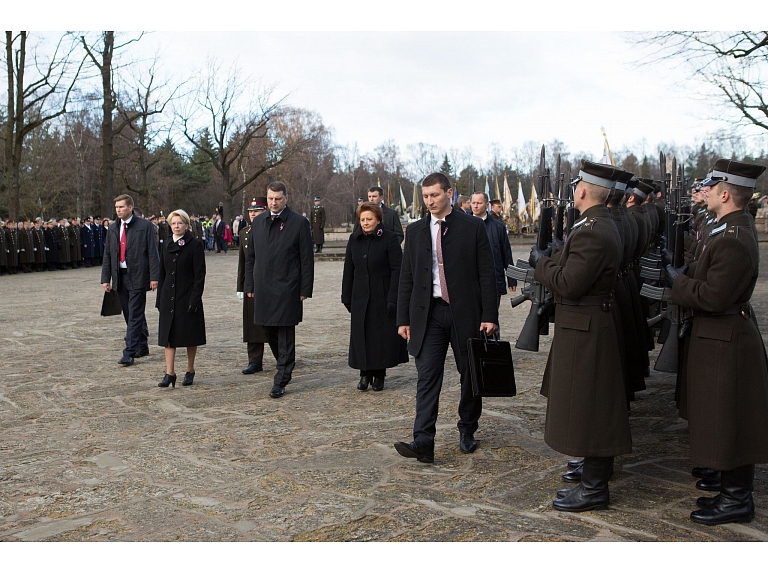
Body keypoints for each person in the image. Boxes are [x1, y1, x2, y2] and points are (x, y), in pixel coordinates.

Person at [667, 159, 768, 526]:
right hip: (719, 335)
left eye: (713, 187)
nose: (705, 191)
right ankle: (729, 488)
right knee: (722, 415)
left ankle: (737, 499)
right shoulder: (726, 229)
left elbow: (713, 296)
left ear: (726, 193)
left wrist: (679, 282)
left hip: (727, 336)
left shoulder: (734, 237)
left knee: (732, 417)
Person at [527, 161, 631, 512]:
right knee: (589, 405)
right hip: (585, 324)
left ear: (583, 190)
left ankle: (594, 488)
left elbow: (570, 282)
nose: (574, 191)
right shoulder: (594, 224)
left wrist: (540, 264)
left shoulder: (592, 230)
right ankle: (592, 477)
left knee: (593, 407)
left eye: (576, 186)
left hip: (587, 326)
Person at [394, 172, 498, 463]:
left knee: (469, 372)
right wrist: (404, 318)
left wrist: (490, 314)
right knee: (427, 376)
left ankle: (467, 428)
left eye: (435, 195)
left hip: (465, 313)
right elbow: (407, 278)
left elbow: (487, 273)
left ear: (449, 194)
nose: (430, 201)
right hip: (428, 315)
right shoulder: (414, 232)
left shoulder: (473, 227)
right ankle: (423, 440)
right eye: (425, 196)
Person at [245, 181, 314, 398]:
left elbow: (306, 259)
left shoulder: (299, 223)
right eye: (270, 199)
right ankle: (284, 362)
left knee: (285, 334)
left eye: (278, 199)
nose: (274, 203)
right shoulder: (258, 223)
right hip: (263, 286)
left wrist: (305, 288)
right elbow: (251, 258)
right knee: (266, 329)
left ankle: (281, 378)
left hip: (288, 287)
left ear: (286, 198)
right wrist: (249, 284)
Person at [341, 202, 408, 392]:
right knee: (362, 336)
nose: (365, 223)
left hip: (382, 295)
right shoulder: (354, 239)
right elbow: (348, 270)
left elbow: (398, 270)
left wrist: (394, 297)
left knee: (379, 338)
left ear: (378, 219)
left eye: (369, 219)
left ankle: (379, 374)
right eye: (362, 220)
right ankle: (364, 373)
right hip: (360, 296)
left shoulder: (389, 239)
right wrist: (346, 296)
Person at [101, 194, 160, 366]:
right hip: (120, 276)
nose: (118, 210)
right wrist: (106, 278)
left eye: (121, 207)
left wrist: (154, 276)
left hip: (139, 275)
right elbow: (108, 255)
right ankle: (142, 345)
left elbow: (152, 252)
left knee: (135, 312)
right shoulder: (113, 228)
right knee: (129, 313)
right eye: (116, 207)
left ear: (130, 208)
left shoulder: (145, 226)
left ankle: (129, 352)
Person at [155, 209, 206, 388]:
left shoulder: (194, 245)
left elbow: (200, 275)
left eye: (180, 223)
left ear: (186, 225)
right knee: (168, 336)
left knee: (190, 335)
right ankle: (169, 373)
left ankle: (190, 369)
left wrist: (195, 298)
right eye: (173, 223)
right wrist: (159, 297)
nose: (176, 226)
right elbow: (162, 273)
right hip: (169, 296)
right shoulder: (166, 245)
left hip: (187, 295)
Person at [237, 198, 269, 375]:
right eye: (250, 211)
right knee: (252, 323)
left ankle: (284, 357)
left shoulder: (272, 229)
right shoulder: (245, 233)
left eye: (257, 210)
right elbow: (243, 262)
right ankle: (255, 360)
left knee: (276, 323)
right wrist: (240, 286)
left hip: (271, 283)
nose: (253, 214)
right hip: (252, 283)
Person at [470, 192, 517, 311]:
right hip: (470, 282)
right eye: (473, 203)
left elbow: (506, 253)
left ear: (486, 205)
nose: (475, 206)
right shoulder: (463, 226)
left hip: (493, 281)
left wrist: (512, 278)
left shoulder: (498, 227)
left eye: (479, 203)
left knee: (491, 320)